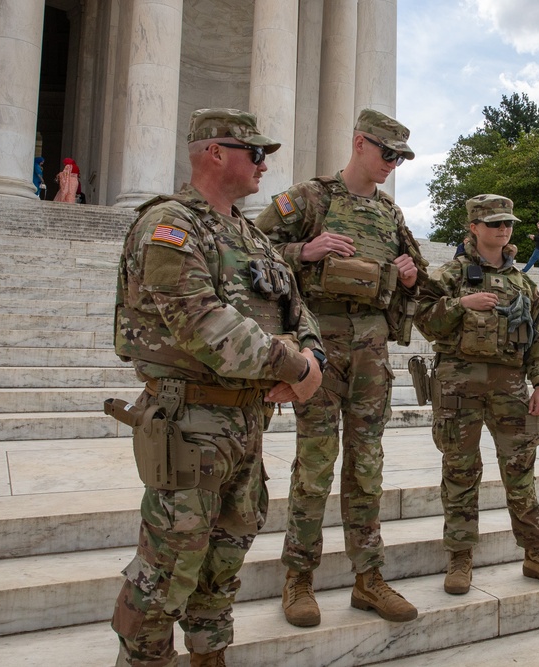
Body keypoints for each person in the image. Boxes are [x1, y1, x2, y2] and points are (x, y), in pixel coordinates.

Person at [110, 108, 325, 667]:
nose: (264, 164)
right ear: (214, 153)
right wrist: (294, 368)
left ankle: (210, 657)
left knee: (223, 566)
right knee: (167, 571)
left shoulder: (251, 234)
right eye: (255, 153)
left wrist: (313, 355)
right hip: (187, 426)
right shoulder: (172, 226)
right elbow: (204, 325)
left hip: (244, 427)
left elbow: (298, 313)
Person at [255, 108, 428, 628]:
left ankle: (368, 578)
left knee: (367, 465)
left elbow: (422, 278)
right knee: (315, 464)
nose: (393, 164)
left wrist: (410, 272)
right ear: (359, 143)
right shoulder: (309, 199)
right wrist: (302, 249)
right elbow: (251, 252)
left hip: (371, 354)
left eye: (400, 157)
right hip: (318, 351)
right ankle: (298, 578)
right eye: (387, 153)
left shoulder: (391, 215)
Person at [414, 194, 539, 596]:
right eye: (494, 223)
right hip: (458, 389)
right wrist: (460, 304)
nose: (503, 230)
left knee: (521, 474)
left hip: (510, 388)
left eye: (508, 224)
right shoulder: (449, 275)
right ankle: (460, 557)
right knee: (460, 473)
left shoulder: (523, 283)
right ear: (474, 227)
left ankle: (536, 552)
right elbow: (425, 323)